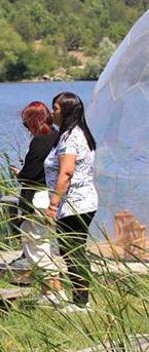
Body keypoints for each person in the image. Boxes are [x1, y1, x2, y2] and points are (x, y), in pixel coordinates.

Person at [44, 92, 98, 313]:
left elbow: (66, 172)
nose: (52, 112)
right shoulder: (74, 133)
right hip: (82, 201)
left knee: (72, 251)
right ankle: (80, 297)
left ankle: (81, 301)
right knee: (72, 250)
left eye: (55, 108)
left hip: (74, 203)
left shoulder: (71, 138)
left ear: (66, 111)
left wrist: (53, 205)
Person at [9, 102, 65, 305]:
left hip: (37, 198)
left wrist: (19, 173)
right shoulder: (58, 136)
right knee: (45, 245)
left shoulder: (39, 141)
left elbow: (30, 175)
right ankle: (48, 292)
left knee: (36, 247)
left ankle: (54, 294)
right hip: (52, 197)